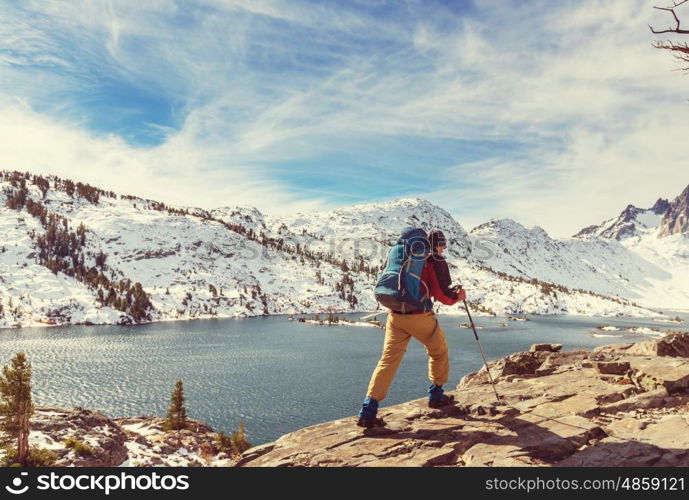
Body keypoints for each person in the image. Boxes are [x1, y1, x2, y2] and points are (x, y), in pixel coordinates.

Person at [356, 229, 467, 428]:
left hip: (395, 316)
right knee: (438, 351)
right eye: (442, 245)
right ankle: (436, 395)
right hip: (419, 316)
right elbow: (443, 296)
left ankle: (368, 410)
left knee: (388, 360)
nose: (443, 249)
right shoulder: (433, 260)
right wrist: (459, 296)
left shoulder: (400, 253)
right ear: (434, 245)